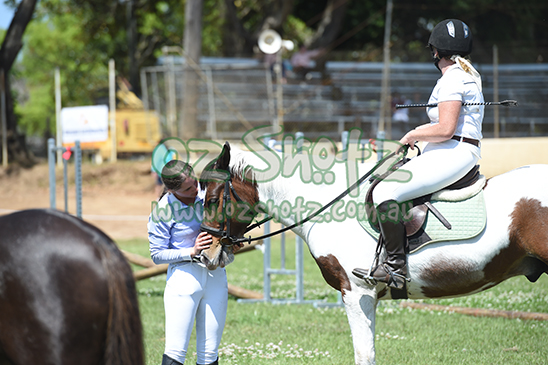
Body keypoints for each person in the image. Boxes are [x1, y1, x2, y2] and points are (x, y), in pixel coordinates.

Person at [353, 19, 484, 289]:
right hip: (450, 149)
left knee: (385, 191)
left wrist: (413, 134)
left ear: (435, 51)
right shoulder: (462, 75)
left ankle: (395, 269)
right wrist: (415, 137)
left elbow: (446, 129)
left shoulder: (453, 79)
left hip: (454, 150)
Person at [148, 160, 227, 365]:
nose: (196, 189)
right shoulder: (162, 211)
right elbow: (157, 254)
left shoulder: (208, 195)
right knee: (176, 352)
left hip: (215, 276)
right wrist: (191, 251)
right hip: (184, 278)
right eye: (188, 188)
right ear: (172, 190)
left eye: (195, 183)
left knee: (210, 353)